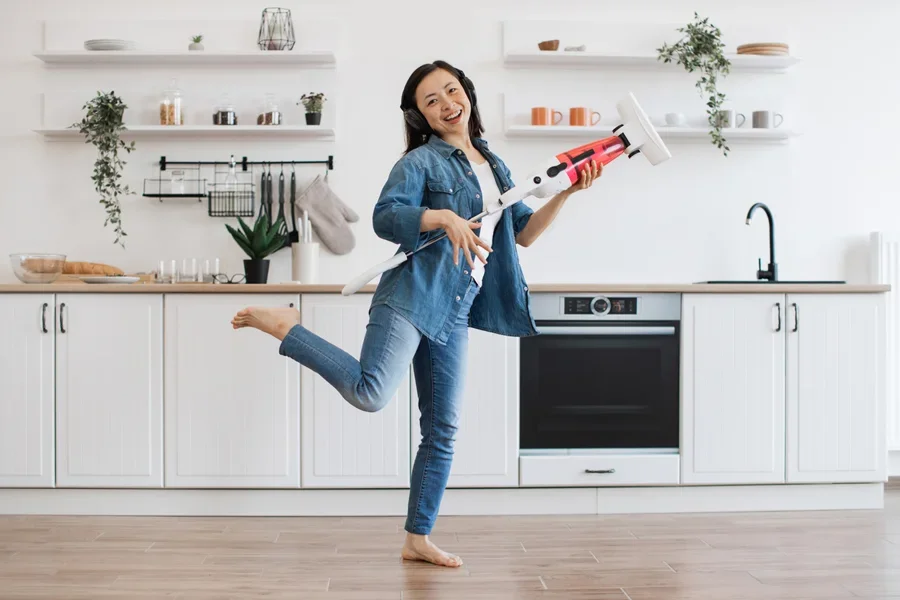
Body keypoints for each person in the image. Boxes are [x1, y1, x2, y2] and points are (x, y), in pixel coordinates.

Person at [230, 59, 602, 567]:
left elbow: (523, 234)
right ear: (421, 116)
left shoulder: (495, 166)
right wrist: (441, 215)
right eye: (432, 101)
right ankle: (288, 328)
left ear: (467, 94)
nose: (448, 104)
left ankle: (417, 538)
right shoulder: (420, 163)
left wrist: (566, 192)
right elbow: (386, 217)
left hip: (455, 306)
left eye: (452, 91)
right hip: (409, 295)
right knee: (370, 392)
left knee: (443, 429)